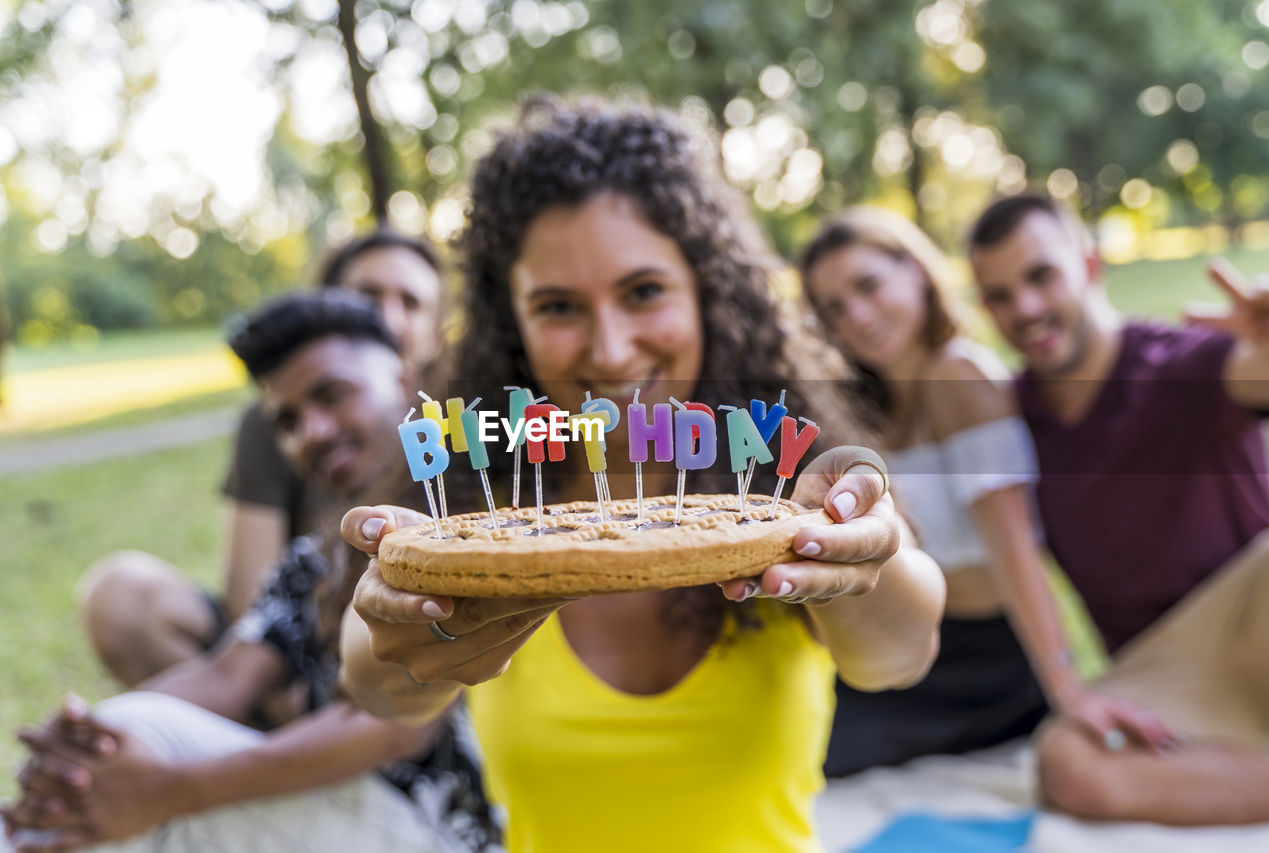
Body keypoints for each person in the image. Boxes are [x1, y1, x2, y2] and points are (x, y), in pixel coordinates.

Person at [337, 98, 947, 853]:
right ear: (512, 324)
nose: (613, 347)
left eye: (643, 291)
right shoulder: (476, 497)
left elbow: (898, 656)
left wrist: (861, 556)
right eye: (558, 306)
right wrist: (403, 633)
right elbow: (377, 683)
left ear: (708, 292)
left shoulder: (780, 481)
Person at [2, 292, 498, 853]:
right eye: (285, 422)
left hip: (446, 829)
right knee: (108, 763)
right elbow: (225, 678)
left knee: (123, 778)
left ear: (406, 382)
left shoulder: (470, 518)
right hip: (342, 809)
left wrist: (173, 788)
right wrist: (87, 738)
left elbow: (399, 726)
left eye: (332, 395)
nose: (310, 432)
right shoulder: (314, 558)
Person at [969, 193, 1269, 825]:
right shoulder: (1012, 423)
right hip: (1165, 671)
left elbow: (1263, 371)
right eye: (999, 295)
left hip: (1258, 608)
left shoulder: (1180, 362)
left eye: (1041, 276)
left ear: (1089, 266)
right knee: (1069, 763)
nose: (1024, 309)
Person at [801, 205, 1111, 775]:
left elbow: (1014, 548)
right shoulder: (871, 409)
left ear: (916, 271)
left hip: (987, 667)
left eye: (869, 286)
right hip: (916, 651)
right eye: (834, 308)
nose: (858, 317)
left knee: (808, 753)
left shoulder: (958, 376)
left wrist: (1069, 689)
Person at [79, 229, 445, 687]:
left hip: (402, 691)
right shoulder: (274, 429)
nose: (390, 318)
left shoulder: (470, 452)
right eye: (369, 297)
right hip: (298, 653)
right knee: (121, 594)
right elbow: (250, 611)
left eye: (411, 302)